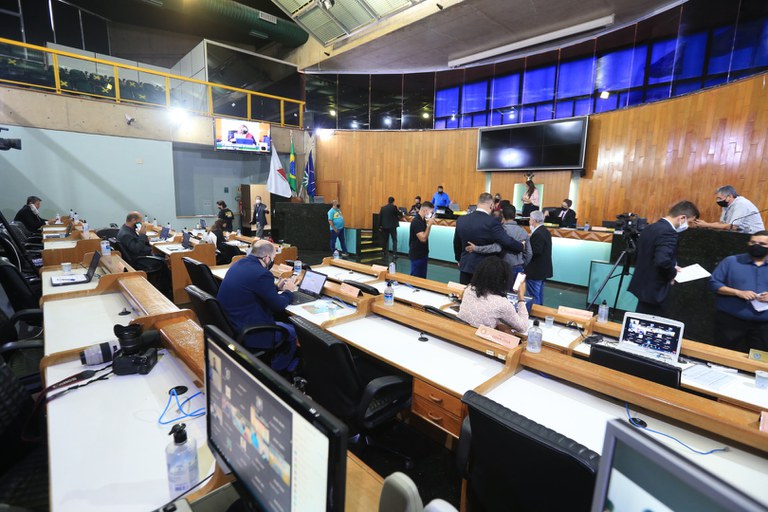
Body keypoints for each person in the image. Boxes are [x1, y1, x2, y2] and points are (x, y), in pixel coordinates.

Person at [216, 240, 300, 372]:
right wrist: (289, 291)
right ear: (267, 258)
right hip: (250, 331)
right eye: (273, 258)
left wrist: (276, 287)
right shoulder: (262, 274)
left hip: (232, 323)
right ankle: (278, 372)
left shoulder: (238, 263)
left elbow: (255, 287)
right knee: (293, 332)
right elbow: (279, 306)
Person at [627, 200, 700, 316]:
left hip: (643, 285)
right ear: (682, 218)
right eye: (690, 222)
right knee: (651, 322)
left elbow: (645, 255)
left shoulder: (649, 228)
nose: (689, 226)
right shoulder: (669, 232)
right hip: (656, 288)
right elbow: (662, 261)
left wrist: (672, 265)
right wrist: (673, 273)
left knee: (641, 318)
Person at [708, 231, 768, 352]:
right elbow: (714, 283)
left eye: (762, 244)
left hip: (763, 327)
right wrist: (737, 292)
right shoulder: (731, 261)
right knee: (723, 355)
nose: (756, 246)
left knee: (758, 360)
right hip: (731, 323)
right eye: (753, 242)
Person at [453, 192, 524, 285]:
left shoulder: (461, 220)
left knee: (465, 292)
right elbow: (506, 241)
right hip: (485, 268)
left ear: (478, 203)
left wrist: (459, 259)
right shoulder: (492, 222)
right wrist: (520, 246)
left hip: (465, 265)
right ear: (491, 205)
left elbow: (456, 243)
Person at [458, 256, 529, 334]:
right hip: (481, 338)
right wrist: (521, 297)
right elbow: (523, 327)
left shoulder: (469, 289)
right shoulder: (502, 304)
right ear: (504, 280)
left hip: (461, 333)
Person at [467, 205, 532, 287]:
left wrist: (476, 248)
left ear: (502, 216)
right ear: (515, 215)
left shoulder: (500, 231)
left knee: (500, 291)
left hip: (502, 267)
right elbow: (529, 253)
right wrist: (523, 264)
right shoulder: (524, 232)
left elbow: (495, 248)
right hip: (519, 267)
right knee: (517, 291)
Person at [694, 185, 765, 234]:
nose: (718, 201)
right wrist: (704, 224)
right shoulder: (726, 205)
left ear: (730, 196)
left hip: (752, 236)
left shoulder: (741, 204)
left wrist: (707, 225)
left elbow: (733, 226)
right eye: (717, 199)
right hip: (739, 235)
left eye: (720, 198)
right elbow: (722, 224)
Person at [525, 210, 552, 306]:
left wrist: (525, 246)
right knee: (539, 294)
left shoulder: (537, 234)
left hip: (535, 270)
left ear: (533, 221)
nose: (529, 221)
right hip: (543, 269)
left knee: (533, 295)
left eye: (530, 219)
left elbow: (535, 251)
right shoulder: (545, 231)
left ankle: (534, 312)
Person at [409, 201, 435, 278]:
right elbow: (423, 238)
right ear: (425, 210)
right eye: (431, 212)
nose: (431, 214)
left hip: (423, 254)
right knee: (415, 278)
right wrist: (429, 226)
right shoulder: (416, 221)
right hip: (417, 255)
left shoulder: (423, 220)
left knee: (422, 278)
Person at [378, 196, 403, 262]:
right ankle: (394, 254)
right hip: (392, 226)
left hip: (385, 226)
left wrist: (379, 226)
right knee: (394, 240)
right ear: (393, 201)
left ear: (388, 201)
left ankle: (383, 252)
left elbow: (380, 217)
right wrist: (400, 211)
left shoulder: (383, 208)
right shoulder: (394, 207)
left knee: (385, 240)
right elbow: (400, 214)